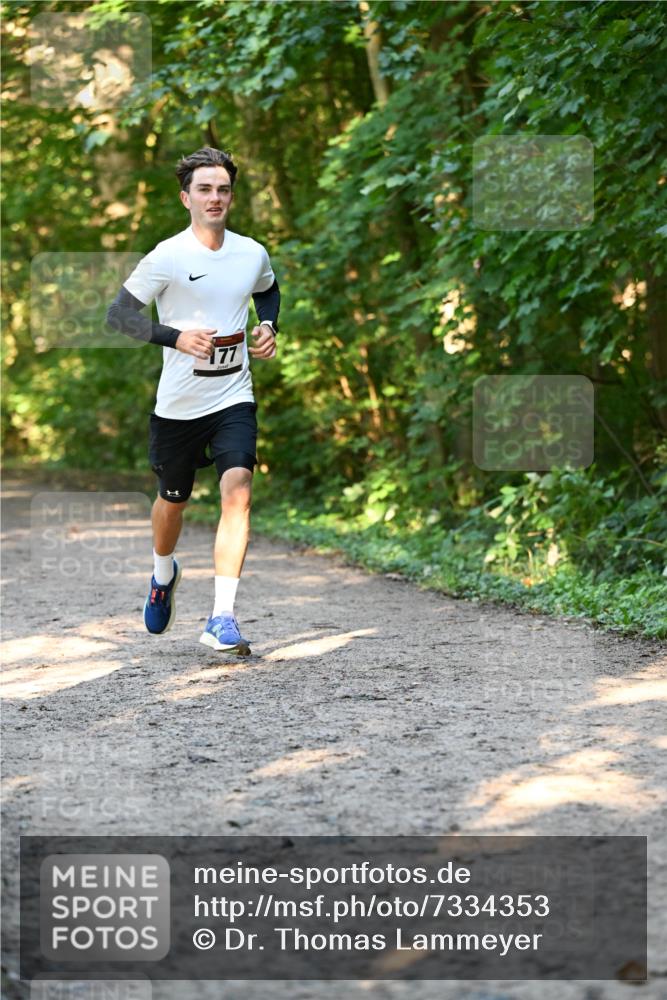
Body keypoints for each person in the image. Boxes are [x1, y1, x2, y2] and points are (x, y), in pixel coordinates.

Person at [107, 146, 280, 653]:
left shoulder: (251, 252)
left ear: (231, 197)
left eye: (223, 189)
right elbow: (118, 316)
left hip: (233, 397)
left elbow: (267, 291)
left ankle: (221, 617)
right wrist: (176, 337)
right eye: (204, 189)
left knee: (239, 489)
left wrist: (267, 325)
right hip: (178, 407)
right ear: (186, 198)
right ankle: (163, 573)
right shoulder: (167, 256)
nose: (215, 197)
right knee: (171, 503)